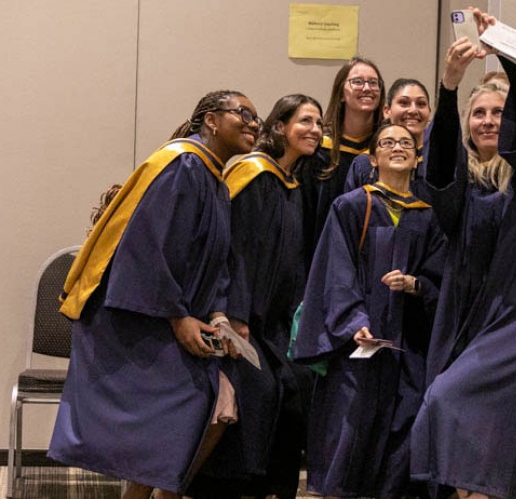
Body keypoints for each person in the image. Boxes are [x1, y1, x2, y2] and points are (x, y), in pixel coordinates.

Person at [48, 90, 261, 499]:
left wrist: (219, 315)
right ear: (212, 121)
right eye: (244, 115)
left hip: (169, 316)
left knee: (218, 405)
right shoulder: (181, 164)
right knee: (185, 413)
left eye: (257, 120)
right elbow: (147, 249)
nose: (254, 124)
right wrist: (179, 318)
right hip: (136, 320)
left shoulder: (213, 177)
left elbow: (215, 260)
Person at [410, 10, 516, 499]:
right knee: (458, 419)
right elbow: (438, 171)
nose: (487, 120)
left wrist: (503, 49)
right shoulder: (467, 185)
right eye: (478, 114)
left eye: (497, 113)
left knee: (455, 403)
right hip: (473, 321)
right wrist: (450, 85)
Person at [293, 122, 445, 499]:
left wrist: (415, 284)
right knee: (348, 438)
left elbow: (444, 276)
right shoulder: (351, 206)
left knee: (402, 441)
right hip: (358, 350)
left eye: (406, 143)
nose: (398, 147)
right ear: (373, 158)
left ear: (416, 158)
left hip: (409, 350)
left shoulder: (429, 214)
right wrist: (354, 321)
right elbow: (334, 271)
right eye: (388, 142)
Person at [190, 94, 324, 499]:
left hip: (276, 323)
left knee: (298, 385)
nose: (315, 130)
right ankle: (219, 487)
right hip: (241, 316)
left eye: (319, 123)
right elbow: (237, 251)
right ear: (279, 127)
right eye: (305, 121)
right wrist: (236, 314)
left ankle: (273, 489)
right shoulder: (253, 176)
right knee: (259, 389)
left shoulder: (292, 185)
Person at [301, 56, 386, 259]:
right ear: (340, 93)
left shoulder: (386, 152)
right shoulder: (319, 151)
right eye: (357, 81)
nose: (367, 88)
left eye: (373, 82)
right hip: (324, 259)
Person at [345, 78, 432, 200]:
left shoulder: (438, 162)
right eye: (404, 103)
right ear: (387, 111)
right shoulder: (364, 164)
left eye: (421, 104)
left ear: (429, 112)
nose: (413, 110)